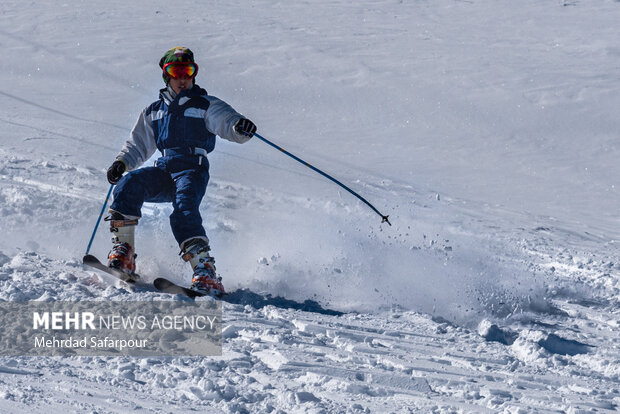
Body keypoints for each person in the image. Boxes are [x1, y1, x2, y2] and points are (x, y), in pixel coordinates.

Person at [105, 46, 256, 296]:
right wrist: (122, 163)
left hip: (192, 168)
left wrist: (240, 127)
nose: (183, 78)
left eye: (188, 71)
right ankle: (125, 252)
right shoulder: (154, 111)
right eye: (176, 72)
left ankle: (205, 272)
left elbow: (227, 122)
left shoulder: (205, 104)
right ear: (167, 76)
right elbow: (138, 145)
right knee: (129, 184)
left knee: (184, 210)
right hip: (165, 168)